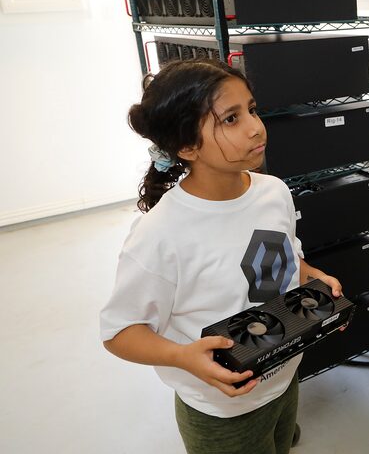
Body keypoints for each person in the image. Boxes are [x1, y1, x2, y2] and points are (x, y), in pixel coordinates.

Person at [100, 59, 343, 454]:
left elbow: (285, 261)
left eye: (252, 109)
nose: (255, 126)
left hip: (284, 377)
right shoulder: (160, 234)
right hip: (220, 411)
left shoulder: (274, 191)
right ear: (186, 146)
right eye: (230, 119)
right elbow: (119, 333)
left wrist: (312, 278)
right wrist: (183, 357)